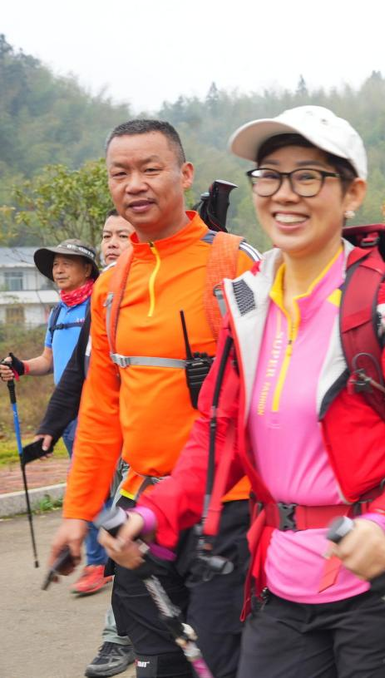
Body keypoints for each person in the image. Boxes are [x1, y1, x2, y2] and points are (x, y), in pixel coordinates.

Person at [102, 105, 385, 678]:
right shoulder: (246, 303)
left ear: (352, 192)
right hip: (281, 584)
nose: (285, 194)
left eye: (308, 176)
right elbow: (214, 436)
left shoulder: (383, 301)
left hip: (383, 583)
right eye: (270, 175)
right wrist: (152, 515)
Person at [48, 119, 259, 678]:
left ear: (185, 175)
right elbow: (99, 412)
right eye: (121, 173)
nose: (134, 183)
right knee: (158, 665)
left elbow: (274, 392)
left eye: (150, 168)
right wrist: (78, 512)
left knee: (224, 665)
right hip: (142, 510)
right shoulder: (110, 290)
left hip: (230, 508)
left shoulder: (235, 265)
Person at [27, 212, 136, 678]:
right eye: (107, 236)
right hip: (104, 429)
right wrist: (50, 425)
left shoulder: (158, 289)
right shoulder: (99, 301)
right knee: (120, 532)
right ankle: (120, 635)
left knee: (139, 539)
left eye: (123, 235)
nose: (112, 243)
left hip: (156, 440)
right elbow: (74, 372)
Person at [2, 238, 104, 587]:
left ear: (87, 269)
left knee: (92, 480)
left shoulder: (99, 303)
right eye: (55, 265)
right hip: (67, 411)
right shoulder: (58, 311)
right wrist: (21, 367)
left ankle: (99, 561)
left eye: (67, 263)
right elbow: (48, 360)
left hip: (97, 406)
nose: (58, 269)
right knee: (85, 481)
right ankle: (100, 558)